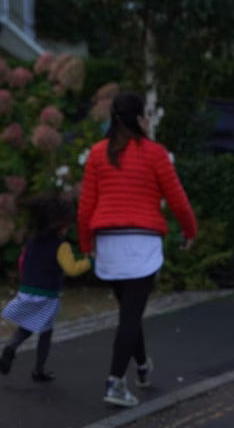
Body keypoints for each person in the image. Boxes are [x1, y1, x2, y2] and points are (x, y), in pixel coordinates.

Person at [77, 91, 198, 408]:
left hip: (108, 242)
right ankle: (115, 382)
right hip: (142, 242)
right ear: (138, 118)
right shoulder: (154, 153)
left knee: (129, 313)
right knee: (131, 315)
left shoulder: (97, 153)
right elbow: (177, 199)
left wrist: (86, 244)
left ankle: (142, 366)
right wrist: (189, 232)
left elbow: (85, 205)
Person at [0, 195, 91, 382]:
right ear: (61, 224)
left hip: (27, 289)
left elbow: (22, 261)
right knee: (45, 333)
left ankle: (11, 347)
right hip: (47, 294)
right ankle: (38, 370)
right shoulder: (61, 246)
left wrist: (27, 280)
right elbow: (71, 269)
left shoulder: (32, 242)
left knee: (25, 326)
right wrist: (91, 262)